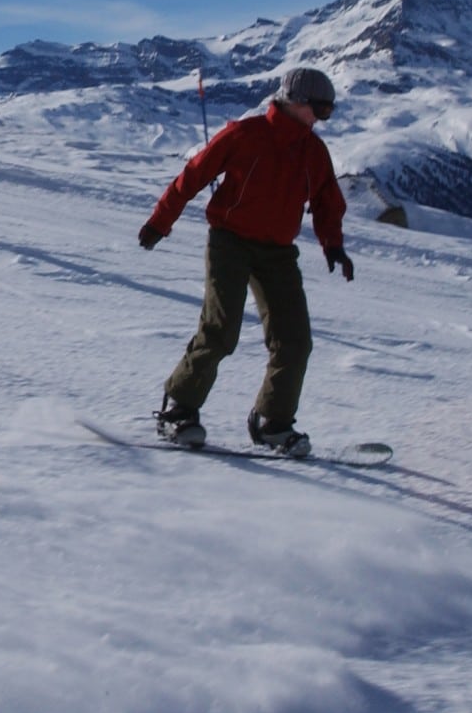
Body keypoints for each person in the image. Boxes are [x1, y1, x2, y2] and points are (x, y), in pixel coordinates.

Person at [137, 67, 355, 456]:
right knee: (221, 328)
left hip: (278, 252)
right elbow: (194, 174)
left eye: (328, 111)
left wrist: (333, 245)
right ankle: (178, 408)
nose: (323, 119)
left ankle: (272, 422)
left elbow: (327, 201)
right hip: (230, 241)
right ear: (297, 102)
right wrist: (160, 221)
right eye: (321, 109)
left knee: (295, 340)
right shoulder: (246, 134)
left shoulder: (313, 151)